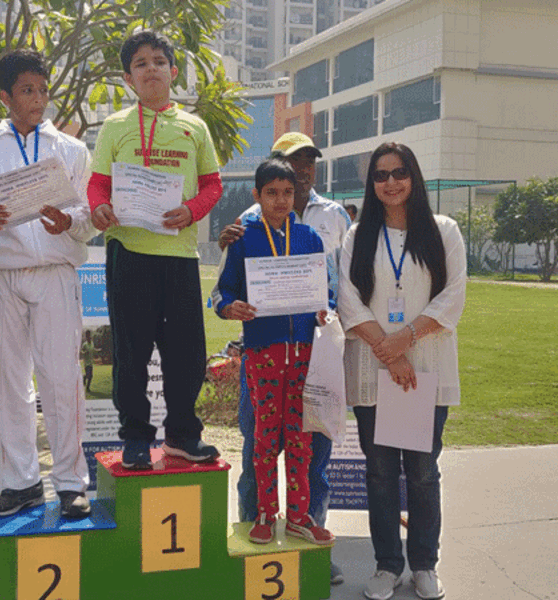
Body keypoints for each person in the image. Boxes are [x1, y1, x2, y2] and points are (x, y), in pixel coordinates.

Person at [0, 49, 95, 519]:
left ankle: (72, 483)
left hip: (55, 272)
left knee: (61, 378)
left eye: (42, 89)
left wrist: (69, 221)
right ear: (4, 97)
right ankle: (20, 482)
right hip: (3, 273)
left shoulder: (71, 150)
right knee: (8, 381)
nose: (38, 99)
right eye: (27, 91)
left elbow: (88, 217)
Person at [213, 132, 350, 581]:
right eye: (271, 193)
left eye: (288, 192)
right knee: (265, 438)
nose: (280, 199)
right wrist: (229, 308)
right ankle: (264, 516)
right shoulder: (244, 238)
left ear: (298, 194)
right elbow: (223, 292)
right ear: (257, 196)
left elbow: (326, 288)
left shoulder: (311, 237)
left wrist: (325, 307)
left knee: (302, 438)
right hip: (264, 353)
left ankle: (300, 517)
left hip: (305, 355)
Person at [88, 29, 223, 470]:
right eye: (141, 63)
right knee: (131, 351)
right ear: (129, 77)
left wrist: (192, 209)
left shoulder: (194, 127)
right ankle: (135, 439)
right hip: (129, 250)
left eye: (159, 61)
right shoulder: (115, 127)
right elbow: (98, 183)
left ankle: (183, 436)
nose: (151, 69)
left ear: (173, 71)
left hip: (180, 255)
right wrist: (99, 207)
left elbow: (212, 184)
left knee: (186, 352)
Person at [338, 142, 466, 600]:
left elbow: (452, 296)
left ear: (413, 176)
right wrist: (389, 352)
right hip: (376, 372)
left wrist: (404, 341)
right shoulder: (357, 235)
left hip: (423, 372)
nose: (390, 182)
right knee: (379, 470)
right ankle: (387, 565)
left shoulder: (443, 230)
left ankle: (424, 564)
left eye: (399, 172)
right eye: (380, 175)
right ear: (371, 184)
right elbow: (348, 298)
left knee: (422, 470)